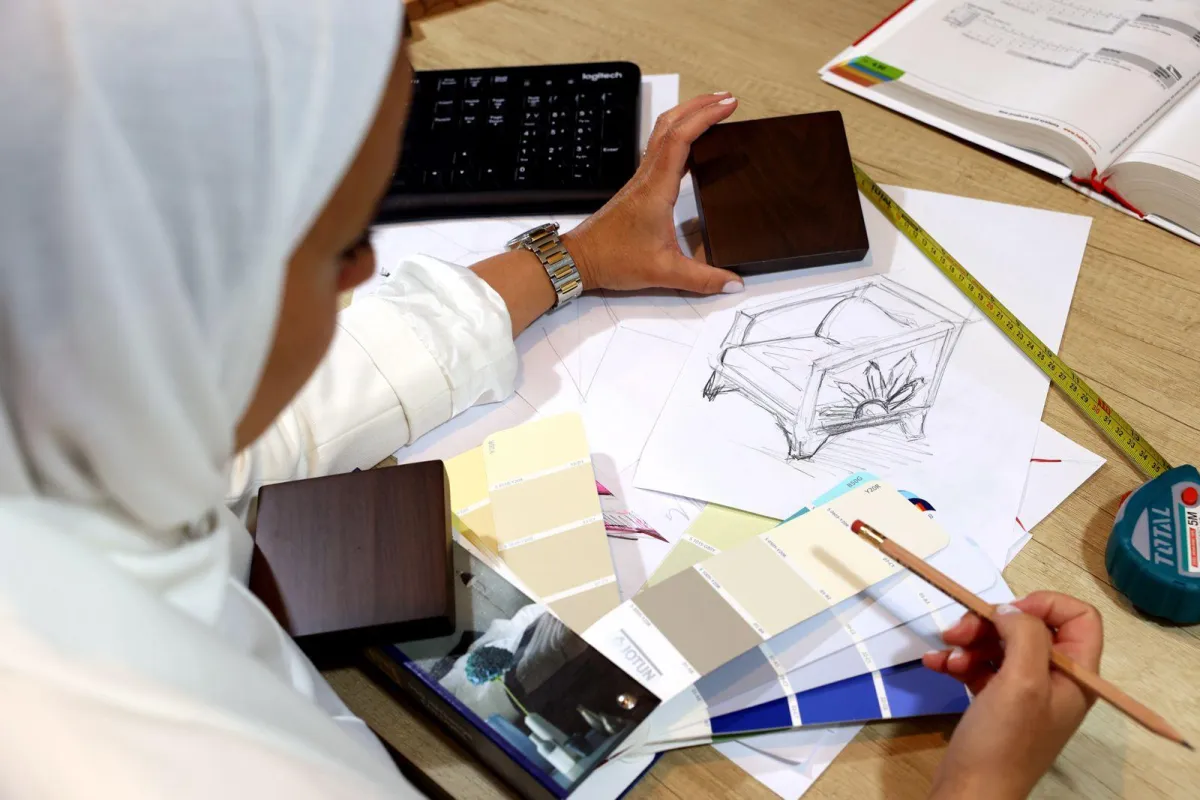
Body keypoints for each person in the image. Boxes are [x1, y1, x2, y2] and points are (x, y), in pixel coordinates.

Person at [0, 2, 1102, 798]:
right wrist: (980, 787)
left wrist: (566, 261)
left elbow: (253, 425)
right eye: (340, 243)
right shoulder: (149, 752)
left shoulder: (56, 386)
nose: (365, 275)